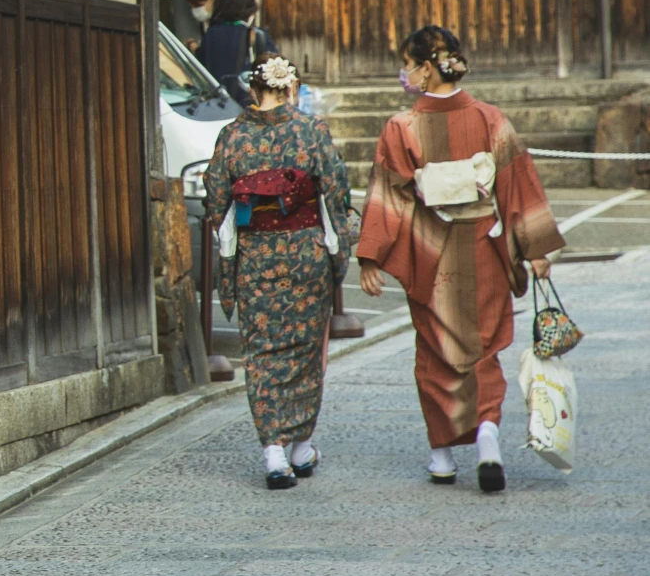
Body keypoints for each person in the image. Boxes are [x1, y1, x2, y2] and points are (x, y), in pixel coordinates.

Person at [357, 25, 563, 493]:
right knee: (484, 347)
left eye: (408, 65)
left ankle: (442, 454)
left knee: (435, 352)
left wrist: (371, 256)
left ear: (427, 68)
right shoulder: (491, 119)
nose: (405, 74)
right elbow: (517, 186)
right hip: (485, 244)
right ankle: (488, 437)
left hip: (431, 251)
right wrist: (534, 250)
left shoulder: (402, 128)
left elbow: (388, 193)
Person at [205, 53, 357, 489]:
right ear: (291, 89)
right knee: (305, 347)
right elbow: (336, 190)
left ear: (253, 91)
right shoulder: (312, 131)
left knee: (263, 349)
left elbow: (217, 199)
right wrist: (338, 248)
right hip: (304, 250)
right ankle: (301, 447)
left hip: (255, 254)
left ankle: (273, 451)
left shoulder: (232, 135)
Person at [195, 0, 275, 105]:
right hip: (246, 102)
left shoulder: (211, 33)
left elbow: (201, 63)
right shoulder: (255, 34)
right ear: (250, 10)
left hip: (217, 102)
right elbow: (276, 67)